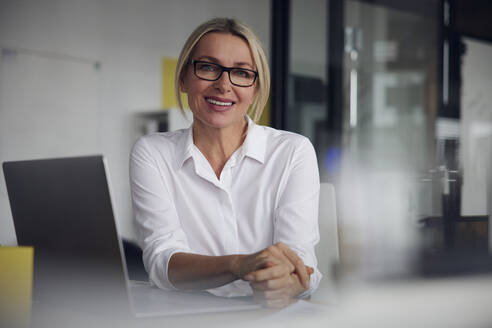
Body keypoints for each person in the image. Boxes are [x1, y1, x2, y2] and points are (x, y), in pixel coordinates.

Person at [130, 17, 321, 308]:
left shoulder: (293, 151)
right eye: (208, 67)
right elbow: (162, 260)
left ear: (255, 89)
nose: (223, 85)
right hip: (185, 317)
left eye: (242, 73)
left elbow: (299, 259)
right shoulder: (153, 152)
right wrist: (240, 265)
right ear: (183, 78)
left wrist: (287, 281)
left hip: (269, 317)